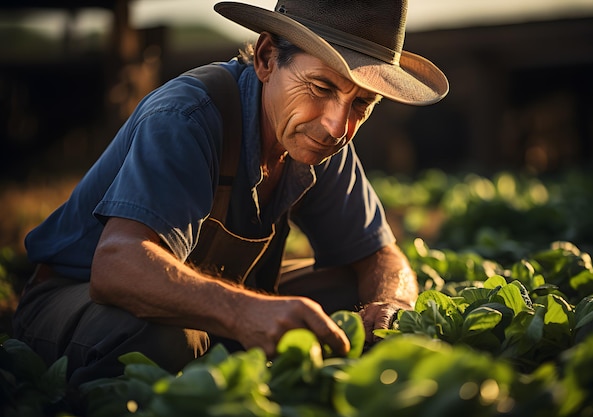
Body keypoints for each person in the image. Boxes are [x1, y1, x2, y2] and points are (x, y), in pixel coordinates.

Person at [12, 0, 448, 388]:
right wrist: (244, 313)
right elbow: (116, 267)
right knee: (163, 339)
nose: (338, 126)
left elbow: (381, 256)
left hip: (210, 300)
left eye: (362, 104)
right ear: (266, 58)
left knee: (356, 295)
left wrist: (390, 302)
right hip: (77, 295)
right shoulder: (187, 117)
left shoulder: (319, 139)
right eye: (321, 87)